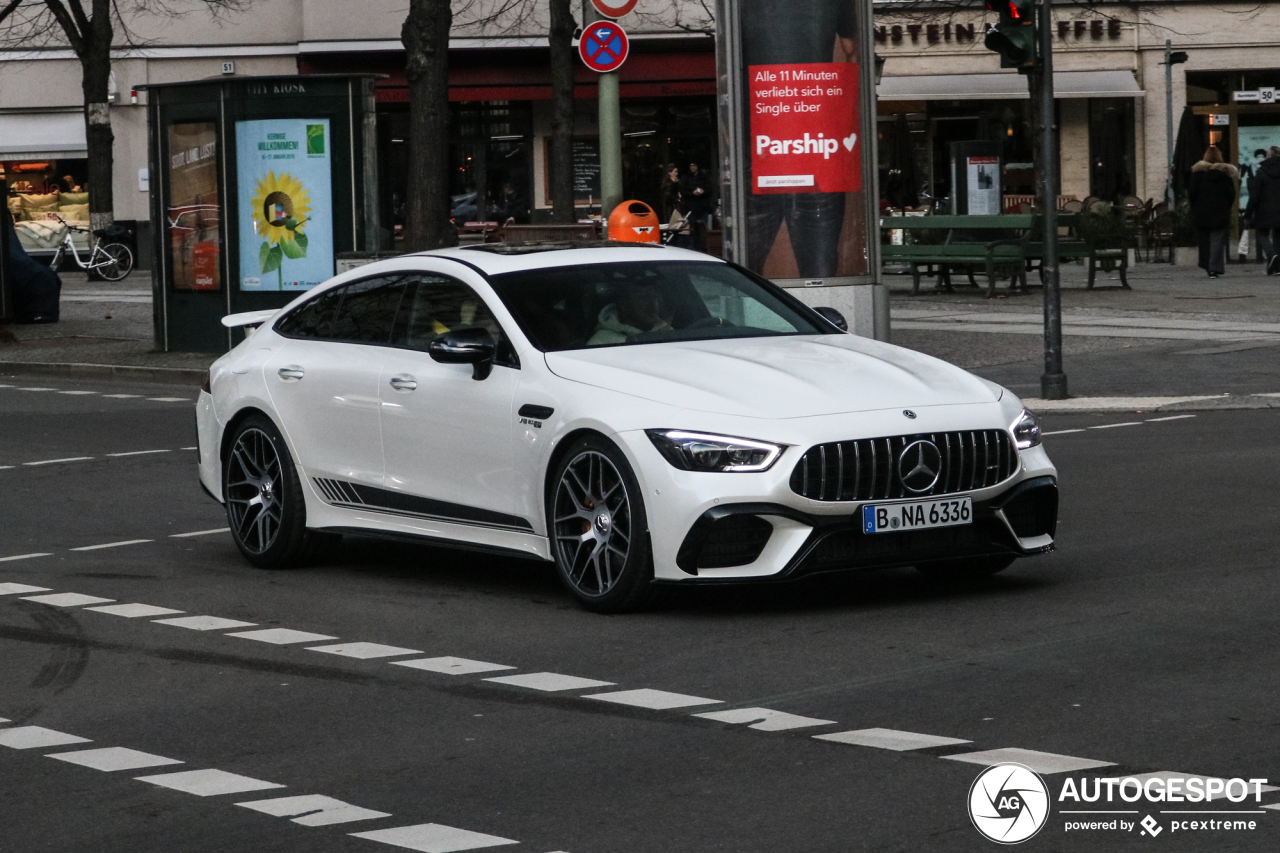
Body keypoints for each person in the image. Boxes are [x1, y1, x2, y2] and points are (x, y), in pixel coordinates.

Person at [1187, 146, 1239, 279]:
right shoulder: (1225, 175)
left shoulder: (1197, 174)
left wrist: (1196, 206)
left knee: (1204, 240)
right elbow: (1231, 193)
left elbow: (1191, 193)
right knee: (1217, 240)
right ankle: (1214, 268)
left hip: (1202, 212)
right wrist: (1226, 206)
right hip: (1220, 212)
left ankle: (1205, 264)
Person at [587, 284, 674, 345]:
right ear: (624, 303)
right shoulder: (601, 342)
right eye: (643, 296)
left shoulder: (668, 333)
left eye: (655, 295)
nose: (652, 302)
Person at [1245, 146, 1280, 274]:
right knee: (1278, 237)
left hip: (1264, 210)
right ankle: (1276, 267)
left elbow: (1255, 195)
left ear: (1268, 156)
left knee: (1262, 234)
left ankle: (1271, 255)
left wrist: (1248, 214)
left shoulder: (1262, 172)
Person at [679, 160, 715, 251]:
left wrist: (703, 192)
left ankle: (705, 247)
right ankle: (693, 248)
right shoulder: (686, 177)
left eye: (694, 165)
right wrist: (692, 193)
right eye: (691, 166)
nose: (692, 168)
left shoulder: (704, 177)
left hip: (702, 206)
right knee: (692, 229)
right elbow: (683, 192)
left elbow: (710, 190)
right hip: (691, 207)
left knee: (705, 228)